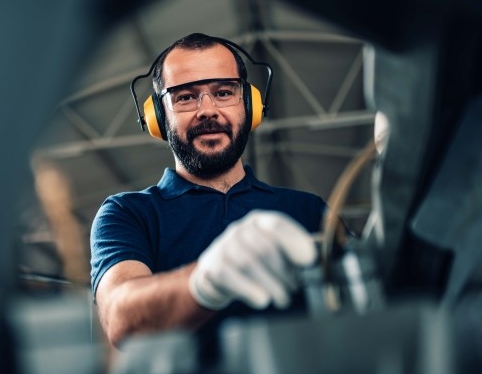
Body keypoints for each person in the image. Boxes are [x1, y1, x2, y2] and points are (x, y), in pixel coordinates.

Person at [91, 33, 327, 348]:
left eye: (224, 92)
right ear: (158, 117)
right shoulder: (128, 213)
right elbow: (120, 318)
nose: (207, 110)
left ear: (250, 105)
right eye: (185, 97)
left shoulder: (309, 210)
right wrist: (206, 281)